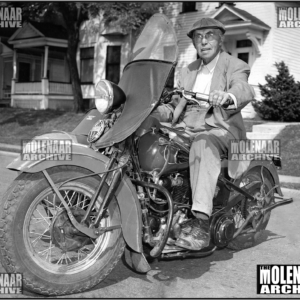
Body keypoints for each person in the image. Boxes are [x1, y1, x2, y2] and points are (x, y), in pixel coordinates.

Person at [151, 18, 255, 251]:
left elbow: (243, 88)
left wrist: (228, 97)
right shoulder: (188, 71)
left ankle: (201, 222)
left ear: (220, 40)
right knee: (152, 138)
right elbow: (174, 106)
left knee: (202, 142)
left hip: (221, 129)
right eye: (198, 36)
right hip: (187, 129)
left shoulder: (234, 64)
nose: (204, 40)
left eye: (209, 35)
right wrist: (148, 111)